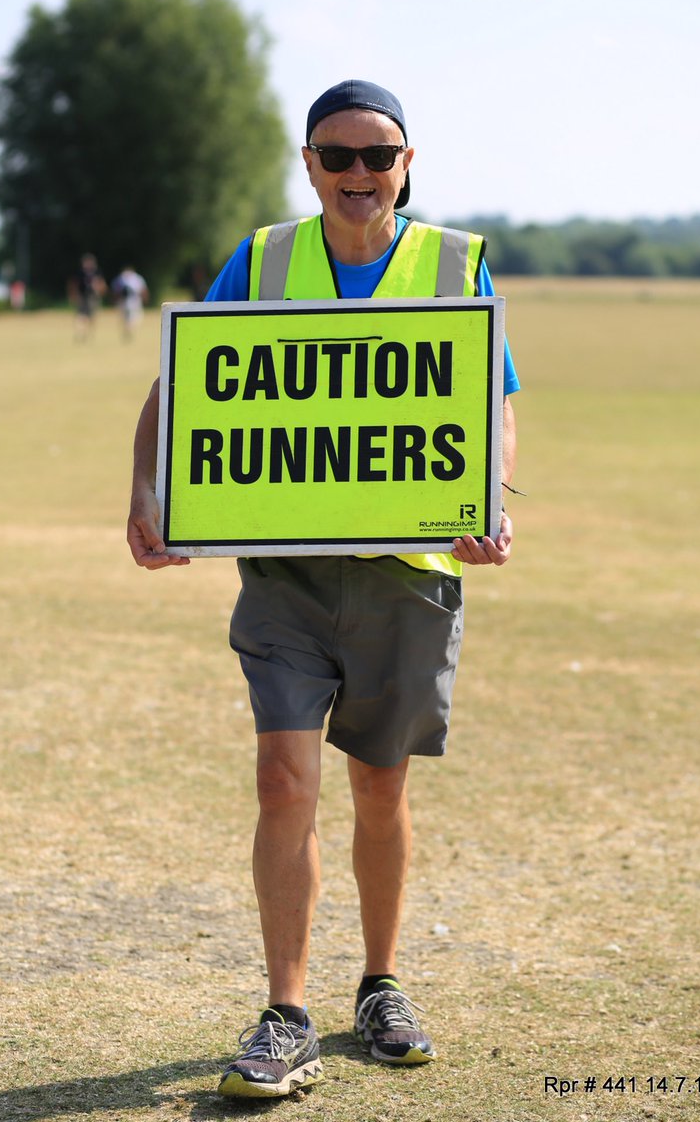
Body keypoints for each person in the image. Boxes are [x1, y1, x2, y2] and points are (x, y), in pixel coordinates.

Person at [127, 80, 519, 1099]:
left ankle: (380, 984)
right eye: (334, 156)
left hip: (407, 579)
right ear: (306, 163)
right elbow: (181, 382)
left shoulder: (454, 263)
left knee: (378, 788)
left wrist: (490, 498)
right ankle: (285, 1011)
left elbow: (494, 396)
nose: (356, 175)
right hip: (286, 580)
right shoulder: (259, 260)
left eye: (375, 157)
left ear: (406, 164)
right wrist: (148, 492)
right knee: (282, 783)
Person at [68, 253, 106, 342]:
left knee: (92, 316)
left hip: (93, 297)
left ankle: (89, 334)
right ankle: (80, 333)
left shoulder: (97, 272)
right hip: (82, 296)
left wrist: (100, 291)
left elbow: (102, 283)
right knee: (80, 316)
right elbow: (73, 284)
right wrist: (73, 295)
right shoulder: (80, 272)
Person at [111, 264, 149, 340]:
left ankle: (127, 330)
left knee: (125, 318)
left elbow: (115, 292)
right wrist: (145, 299)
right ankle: (128, 329)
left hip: (123, 302)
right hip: (134, 302)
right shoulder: (137, 278)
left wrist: (114, 300)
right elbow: (143, 290)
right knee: (134, 318)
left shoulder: (120, 278)